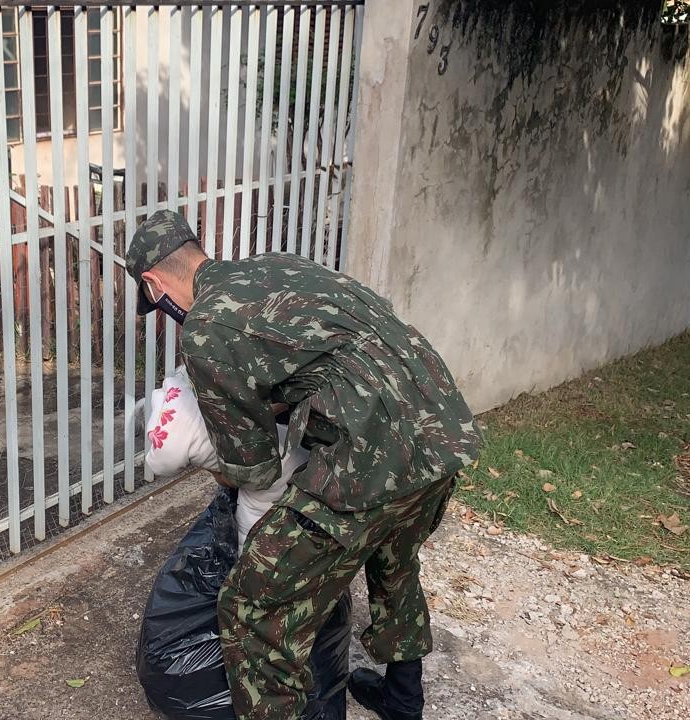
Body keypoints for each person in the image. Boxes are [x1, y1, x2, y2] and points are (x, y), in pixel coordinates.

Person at [125, 210, 483, 720]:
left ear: (154, 284)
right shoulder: (276, 267)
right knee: (393, 562)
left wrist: (209, 450)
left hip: (370, 455)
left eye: (156, 303)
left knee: (253, 610)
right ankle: (403, 702)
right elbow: (324, 356)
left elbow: (255, 470)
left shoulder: (204, 327)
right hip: (442, 428)